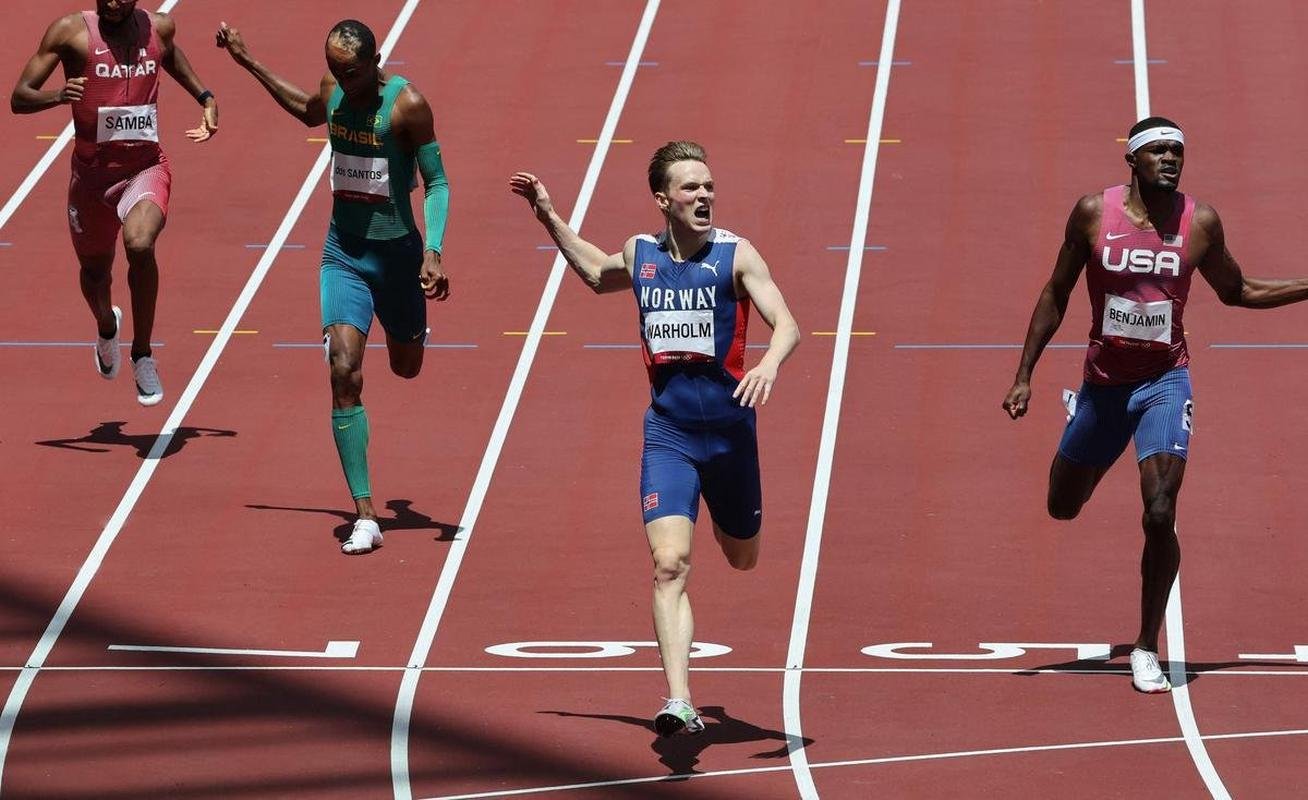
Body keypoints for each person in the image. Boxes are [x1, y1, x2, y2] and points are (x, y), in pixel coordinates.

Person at [1002, 117, 1308, 693]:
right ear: (1133, 159)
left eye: (1177, 151)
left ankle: (1146, 646)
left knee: (1160, 510)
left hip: (1165, 382)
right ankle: (1079, 418)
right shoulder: (1093, 214)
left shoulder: (1200, 222)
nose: (1171, 159)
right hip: (1103, 385)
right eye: (1159, 150)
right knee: (1062, 506)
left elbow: (1238, 291)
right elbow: (1056, 292)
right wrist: (1024, 376)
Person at [510, 141, 800, 735]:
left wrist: (770, 362)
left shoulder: (736, 256)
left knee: (742, 557)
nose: (705, 196)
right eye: (691, 187)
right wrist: (548, 216)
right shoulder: (640, 254)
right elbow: (597, 274)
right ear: (663, 200)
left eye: (709, 185)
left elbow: (787, 324)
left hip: (730, 438)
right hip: (669, 435)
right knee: (670, 564)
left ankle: (723, 516)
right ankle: (679, 700)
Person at [216, 19, 449, 555]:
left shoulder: (408, 106)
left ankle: (412, 329)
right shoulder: (334, 89)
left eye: (351, 72)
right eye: (334, 72)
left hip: (398, 257)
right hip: (343, 252)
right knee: (343, 370)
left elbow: (437, 181)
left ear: (375, 62)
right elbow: (307, 109)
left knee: (406, 367)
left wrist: (433, 250)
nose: (342, 82)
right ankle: (365, 515)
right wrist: (247, 60)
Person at [11, 0, 219, 406]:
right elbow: (19, 97)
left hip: (144, 168)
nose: (112, 3)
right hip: (91, 179)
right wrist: (58, 95)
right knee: (94, 275)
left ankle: (142, 354)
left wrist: (205, 96)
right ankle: (107, 325)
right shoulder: (70, 32)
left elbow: (169, 56)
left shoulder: (159, 28)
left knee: (140, 244)